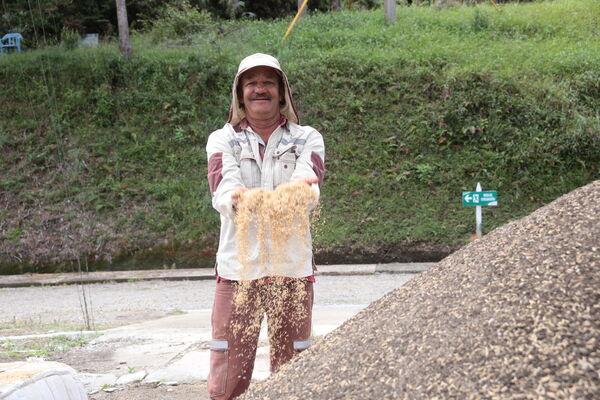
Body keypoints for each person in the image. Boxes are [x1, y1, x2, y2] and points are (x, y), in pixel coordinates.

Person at [205, 53, 325, 400]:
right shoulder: (224, 139)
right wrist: (237, 198)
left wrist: (295, 192)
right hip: (238, 271)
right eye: (252, 83)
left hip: (292, 270)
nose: (260, 89)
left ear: (282, 91)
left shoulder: (306, 138)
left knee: (294, 368)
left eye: (268, 82)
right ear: (240, 93)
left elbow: (309, 185)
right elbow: (222, 188)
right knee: (229, 368)